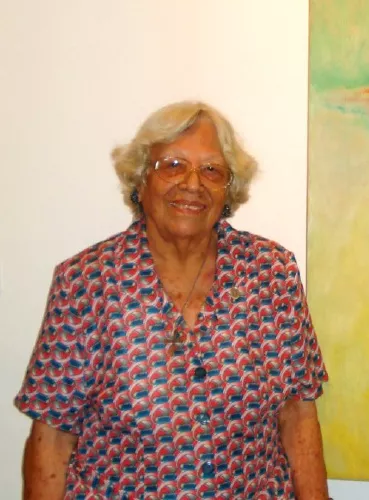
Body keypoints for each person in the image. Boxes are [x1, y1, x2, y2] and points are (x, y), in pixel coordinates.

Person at [15, 101, 331, 499]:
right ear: (141, 181)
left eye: (212, 170)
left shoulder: (271, 273)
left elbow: (298, 413)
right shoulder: (86, 283)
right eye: (173, 165)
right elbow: (52, 436)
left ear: (228, 189)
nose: (192, 183)